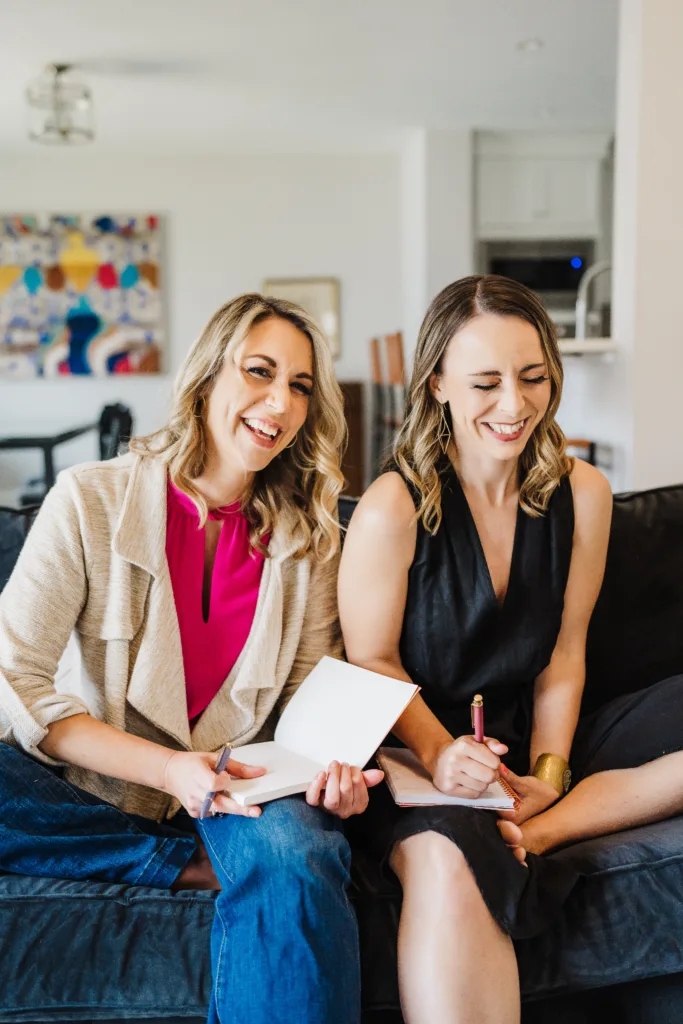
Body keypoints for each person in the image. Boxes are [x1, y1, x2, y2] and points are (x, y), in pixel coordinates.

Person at [0, 293, 382, 1024]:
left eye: (300, 386)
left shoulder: (312, 539)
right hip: (100, 788)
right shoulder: (91, 499)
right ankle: (186, 866)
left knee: (297, 860)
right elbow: (16, 679)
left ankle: (230, 860)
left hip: (245, 794)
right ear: (207, 378)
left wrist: (332, 772)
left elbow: (306, 707)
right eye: (260, 372)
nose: (280, 403)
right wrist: (169, 769)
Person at [340, 274, 683, 1024]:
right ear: (436, 384)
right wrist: (438, 753)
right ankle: (513, 824)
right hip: (419, 758)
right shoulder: (392, 508)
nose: (513, 405)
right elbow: (370, 661)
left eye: (531, 378)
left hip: (535, 742)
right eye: (485, 382)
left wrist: (550, 774)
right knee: (445, 857)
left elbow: (564, 655)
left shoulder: (583, 494)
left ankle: (541, 825)